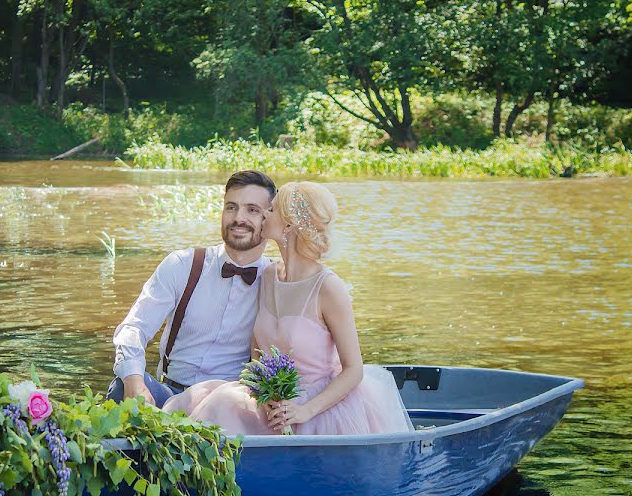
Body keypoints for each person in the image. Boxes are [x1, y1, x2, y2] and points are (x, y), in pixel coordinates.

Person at [163, 182, 413, 435]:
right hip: (271, 400)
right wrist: (265, 393)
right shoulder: (269, 275)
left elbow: (354, 370)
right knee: (205, 402)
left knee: (220, 406)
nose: (263, 214)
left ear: (289, 225)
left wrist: (304, 410)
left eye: (270, 210)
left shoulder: (328, 288)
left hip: (316, 406)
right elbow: (257, 352)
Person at [108, 170, 276, 407]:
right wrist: (135, 382)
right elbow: (134, 327)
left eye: (252, 210)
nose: (239, 218)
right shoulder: (183, 264)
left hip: (231, 404)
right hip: (169, 394)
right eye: (231, 207)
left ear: (270, 219)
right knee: (121, 387)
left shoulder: (277, 281)